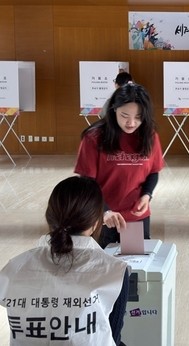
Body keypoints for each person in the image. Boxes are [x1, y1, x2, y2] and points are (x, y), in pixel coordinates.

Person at [0, 176, 129, 345]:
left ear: (50, 218)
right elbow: (113, 337)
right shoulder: (115, 272)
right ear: (96, 223)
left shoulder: (15, 267)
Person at [75, 83, 164, 249]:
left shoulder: (149, 135)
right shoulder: (94, 137)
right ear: (114, 109)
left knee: (133, 264)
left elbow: (153, 171)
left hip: (135, 215)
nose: (131, 122)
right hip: (103, 217)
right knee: (102, 267)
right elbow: (87, 182)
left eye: (138, 117)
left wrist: (147, 195)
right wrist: (105, 211)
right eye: (125, 115)